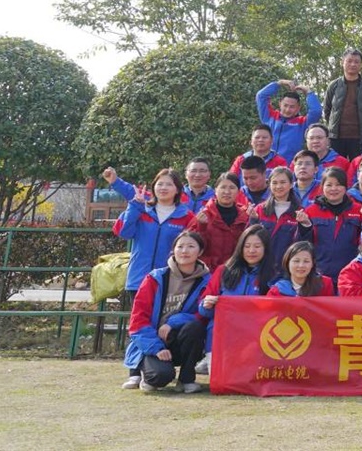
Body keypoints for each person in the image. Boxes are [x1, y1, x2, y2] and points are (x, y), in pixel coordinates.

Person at [122, 231, 210, 393]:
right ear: (173, 250)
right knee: (160, 377)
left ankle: (186, 379)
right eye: (180, 246)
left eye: (191, 246)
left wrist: (173, 322)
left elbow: (202, 316)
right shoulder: (155, 278)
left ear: (200, 252)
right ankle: (143, 371)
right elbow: (138, 321)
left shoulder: (206, 281)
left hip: (179, 338)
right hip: (154, 340)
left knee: (196, 327)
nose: (184, 251)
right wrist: (156, 348)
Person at [112, 168, 198, 308]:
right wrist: (135, 206)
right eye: (160, 184)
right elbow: (123, 232)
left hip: (170, 281)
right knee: (139, 319)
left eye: (169, 184)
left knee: (164, 320)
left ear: (177, 190)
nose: (163, 188)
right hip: (138, 279)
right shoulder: (141, 209)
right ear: (153, 187)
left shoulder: (186, 216)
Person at [196, 224, 273, 374]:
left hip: (256, 337)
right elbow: (204, 308)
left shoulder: (273, 276)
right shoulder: (224, 271)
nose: (251, 251)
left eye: (257, 246)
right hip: (222, 335)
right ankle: (209, 360)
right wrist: (206, 304)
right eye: (247, 246)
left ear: (266, 248)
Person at [294, 167, 362, 281]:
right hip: (319, 274)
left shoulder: (359, 211)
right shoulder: (311, 211)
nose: (333, 189)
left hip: (350, 274)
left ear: (346, 187)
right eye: (329, 185)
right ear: (322, 187)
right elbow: (301, 245)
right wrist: (304, 226)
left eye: (338, 185)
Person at [323, 48, 362, 160]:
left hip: (361, 138)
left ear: (361, 65)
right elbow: (327, 110)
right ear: (342, 62)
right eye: (349, 61)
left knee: (360, 167)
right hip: (336, 138)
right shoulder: (334, 85)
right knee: (336, 168)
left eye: (356, 62)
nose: (353, 64)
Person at [191, 172, 249, 270]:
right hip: (207, 271)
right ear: (215, 190)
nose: (227, 192)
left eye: (232, 188)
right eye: (223, 187)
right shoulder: (204, 215)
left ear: (238, 191)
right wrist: (202, 227)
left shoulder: (245, 217)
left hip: (235, 270)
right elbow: (193, 246)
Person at [251, 167, 306, 272]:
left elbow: (302, 243)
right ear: (269, 185)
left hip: (286, 269)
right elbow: (250, 239)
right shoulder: (259, 209)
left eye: (283, 182)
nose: (278, 186)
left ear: (291, 184)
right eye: (274, 183)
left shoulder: (300, 212)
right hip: (260, 267)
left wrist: (304, 225)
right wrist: (253, 220)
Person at [256, 79, 322, 161]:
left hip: (289, 166)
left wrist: (308, 92)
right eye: (285, 105)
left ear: (298, 108)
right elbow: (261, 96)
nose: (287, 110)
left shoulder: (303, 123)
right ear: (280, 104)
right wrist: (280, 83)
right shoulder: (269, 116)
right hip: (267, 164)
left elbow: (316, 111)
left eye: (292, 107)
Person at [268, 241, 334, 297]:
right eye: (296, 261)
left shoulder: (324, 284)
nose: (301, 265)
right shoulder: (277, 290)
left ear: (312, 263)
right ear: (287, 263)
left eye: (306, 261)